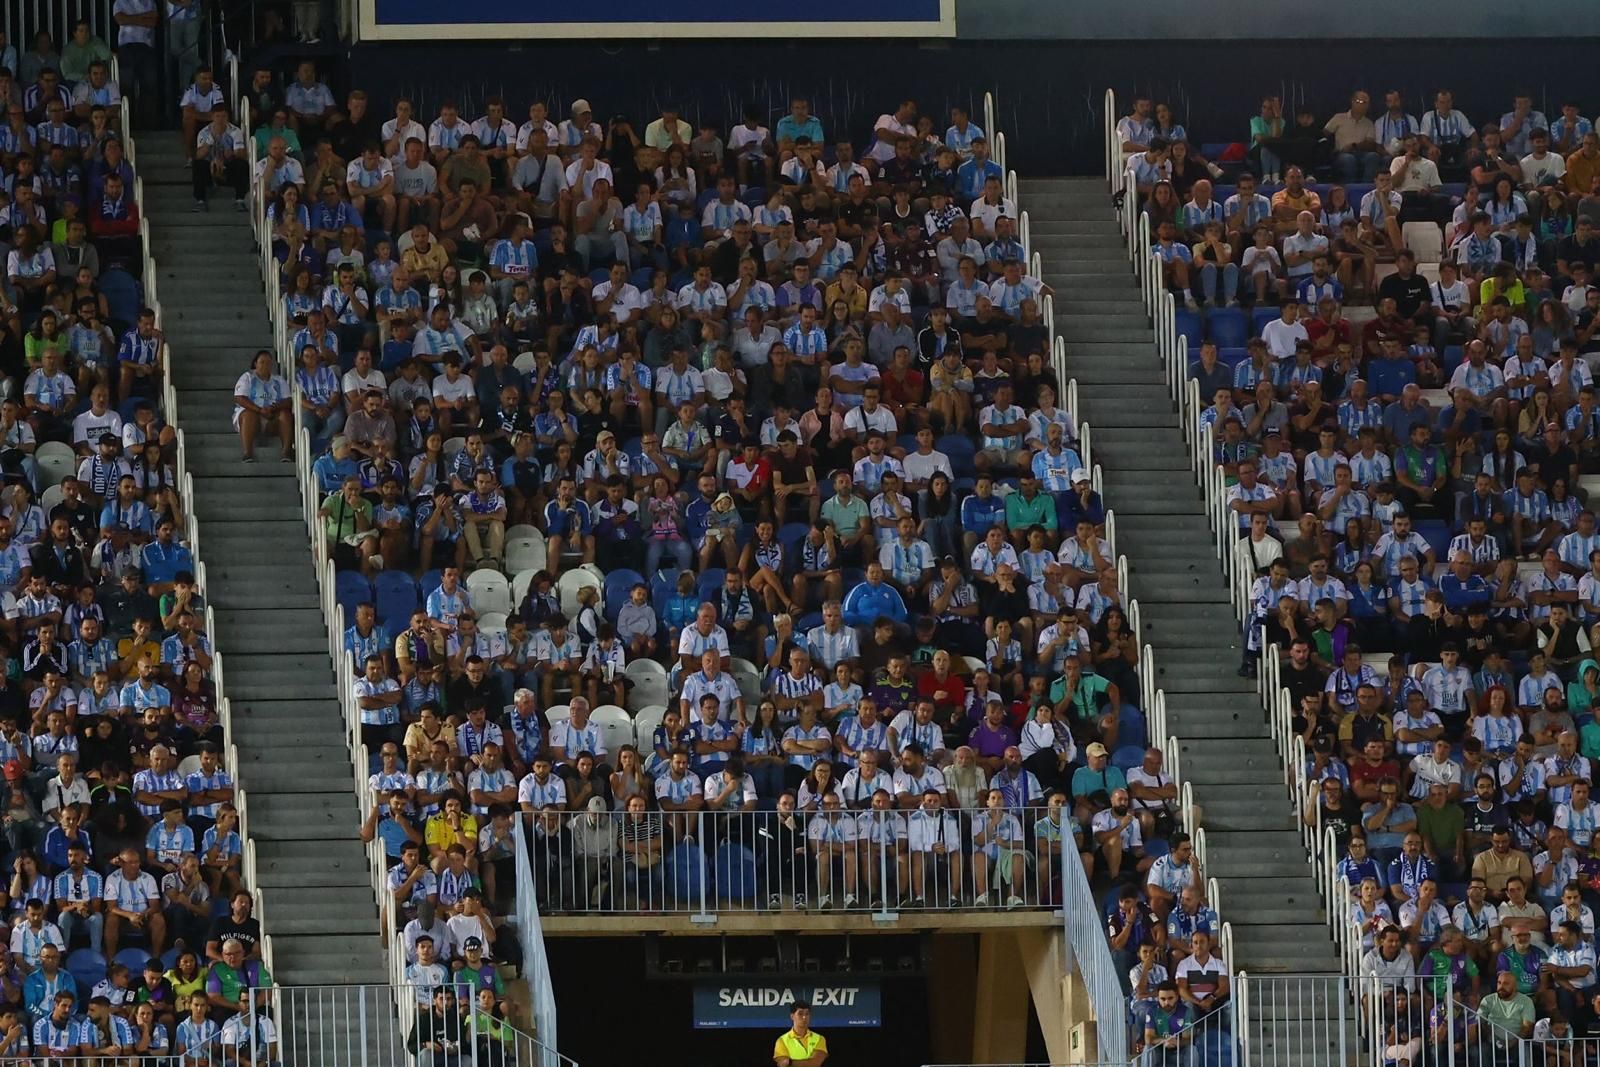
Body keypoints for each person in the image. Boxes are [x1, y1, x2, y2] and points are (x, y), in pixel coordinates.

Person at [772, 1002, 827, 1067]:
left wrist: (790, 1062)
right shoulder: (781, 1040)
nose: (804, 1017)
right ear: (792, 1016)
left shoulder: (819, 1038)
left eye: (807, 1014)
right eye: (800, 1014)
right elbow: (782, 1064)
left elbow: (815, 1063)